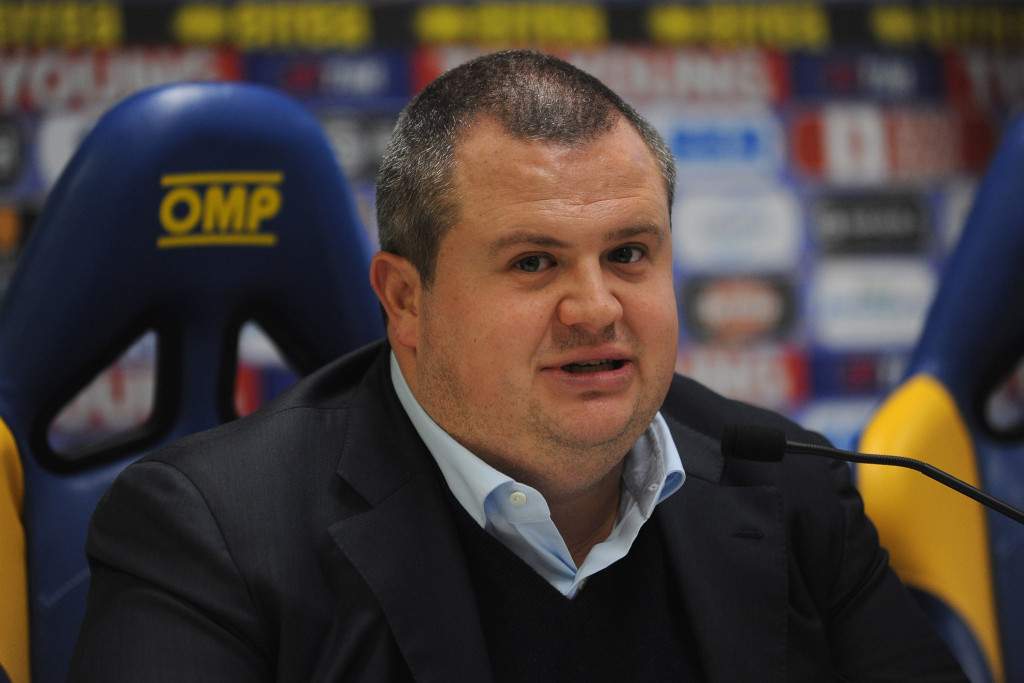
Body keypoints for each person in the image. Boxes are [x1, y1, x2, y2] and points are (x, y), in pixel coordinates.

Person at [70, 50, 966, 682]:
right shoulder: (212, 535)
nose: (597, 308)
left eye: (629, 253)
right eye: (534, 262)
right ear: (405, 300)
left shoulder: (793, 485)